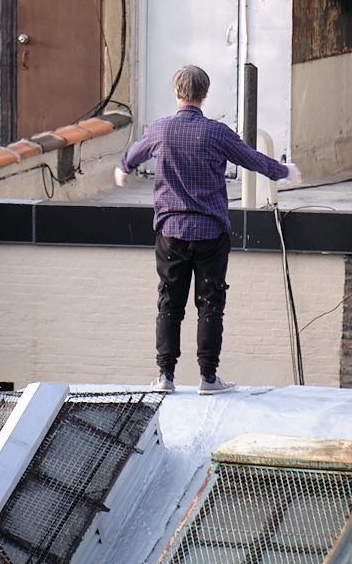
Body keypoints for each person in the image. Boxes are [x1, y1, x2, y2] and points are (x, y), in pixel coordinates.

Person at [114, 64, 301, 394]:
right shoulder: (217, 133)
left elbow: (133, 155)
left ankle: (165, 376)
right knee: (210, 305)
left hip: (171, 232)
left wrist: (123, 168)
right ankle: (208, 378)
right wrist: (283, 171)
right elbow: (251, 159)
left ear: (176, 93)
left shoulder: (160, 130)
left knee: (169, 304)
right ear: (205, 93)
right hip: (211, 233)